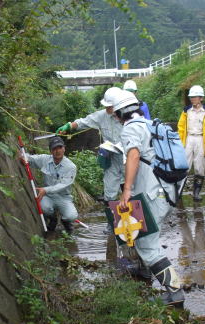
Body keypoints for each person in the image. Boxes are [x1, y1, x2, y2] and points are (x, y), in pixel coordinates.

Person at [114, 89, 184, 306]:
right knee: (148, 237)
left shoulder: (130, 130)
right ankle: (147, 272)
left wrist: (126, 191)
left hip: (153, 193)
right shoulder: (150, 124)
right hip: (167, 190)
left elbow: (134, 154)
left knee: (146, 243)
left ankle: (175, 292)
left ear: (118, 114)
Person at [56, 87, 124, 233]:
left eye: (110, 106)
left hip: (128, 160)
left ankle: (135, 223)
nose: (107, 109)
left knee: (130, 190)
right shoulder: (102, 116)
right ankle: (112, 224)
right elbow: (84, 122)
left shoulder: (128, 116)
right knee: (110, 193)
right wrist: (69, 126)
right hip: (112, 159)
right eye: (105, 106)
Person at [20, 136, 78, 233]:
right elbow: (30, 158)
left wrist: (45, 190)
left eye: (60, 147)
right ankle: (52, 219)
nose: (57, 151)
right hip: (48, 196)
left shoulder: (71, 166)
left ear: (64, 148)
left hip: (64, 197)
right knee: (44, 207)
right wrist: (22, 156)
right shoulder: (45, 159)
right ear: (50, 151)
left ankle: (65, 221)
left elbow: (63, 185)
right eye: (54, 148)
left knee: (71, 216)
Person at [177, 85, 205, 201]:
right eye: (191, 97)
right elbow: (181, 128)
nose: (192, 99)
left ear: (201, 98)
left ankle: (196, 193)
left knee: (199, 167)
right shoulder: (186, 111)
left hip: (201, 139)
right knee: (184, 167)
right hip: (188, 138)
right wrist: (179, 142)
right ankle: (178, 192)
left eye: (195, 97)